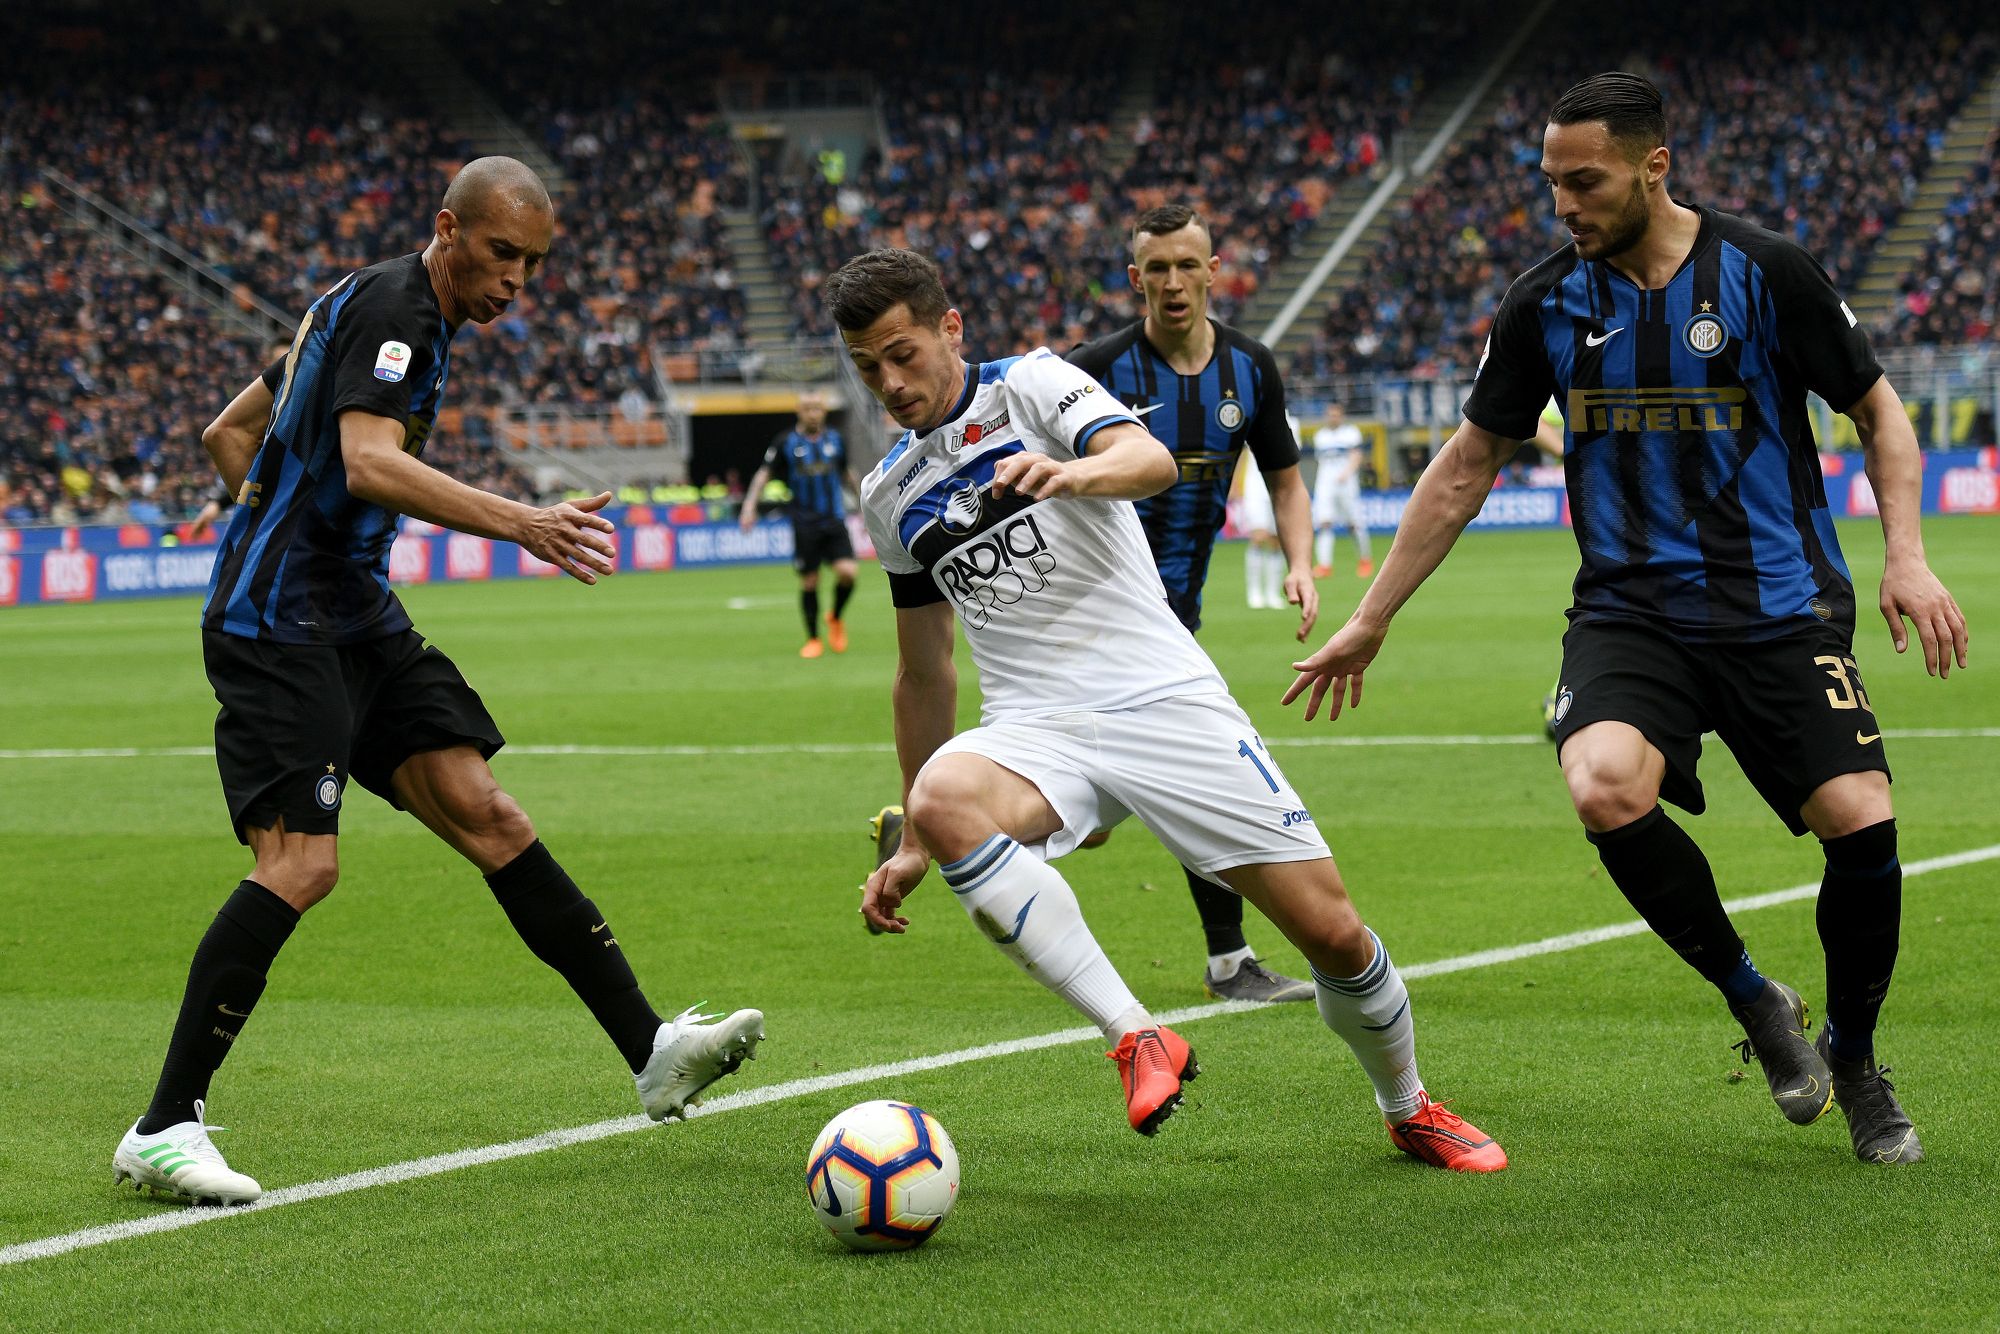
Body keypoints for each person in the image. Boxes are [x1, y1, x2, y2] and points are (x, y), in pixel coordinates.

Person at [1286, 74, 1969, 1166]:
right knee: (1602, 783)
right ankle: (1754, 998)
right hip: (1630, 613)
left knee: (1860, 818)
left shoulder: (1765, 271)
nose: (1563, 203)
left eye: (1585, 181)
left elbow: (1877, 410)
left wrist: (1907, 555)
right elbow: (1465, 465)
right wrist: (1371, 617)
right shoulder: (1544, 303)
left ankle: (1853, 1056)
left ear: (1655, 166)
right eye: (1551, 182)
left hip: (1776, 605)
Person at [113, 158, 764, 1208]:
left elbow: (227, 434)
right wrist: (521, 521)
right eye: (502, 254)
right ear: (447, 230)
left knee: (488, 813)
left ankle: (650, 1050)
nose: (516, 280)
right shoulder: (399, 314)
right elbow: (369, 461)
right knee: (301, 864)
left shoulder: (368, 301)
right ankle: (162, 1126)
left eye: (533, 263)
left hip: (353, 615)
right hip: (283, 626)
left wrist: (277, 518)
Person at [840, 247, 1506, 1169]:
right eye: (867, 366)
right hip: (1036, 727)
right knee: (941, 799)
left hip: (1161, 697)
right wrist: (916, 842)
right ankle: (1135, 1036)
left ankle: (1409, 1105)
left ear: (949, 328)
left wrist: (1072, 474)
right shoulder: (888, 494)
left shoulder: (1030, 385)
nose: (889, 383)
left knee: (1333, 935)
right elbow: (924, 673)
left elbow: (1148, 459)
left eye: (902, 354)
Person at [1062, 204, 1322, 1004]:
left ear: (1214, 272)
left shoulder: (1250, 368)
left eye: (1187, 265)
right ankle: (1229, 963)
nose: (1173, 282)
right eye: (1157, 268)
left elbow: (1284, 480)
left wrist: (1301, 564)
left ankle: (934, 829)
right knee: (1207, 768)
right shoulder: (1093, 370)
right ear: (1134, 278)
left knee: (1094, 811)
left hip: (1180, 611)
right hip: (1101, 612)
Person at [739, 389, 860, 658]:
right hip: (805, 523)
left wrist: (865, 505)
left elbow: (847, 474)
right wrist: (749, 507)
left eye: (817, 408)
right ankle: (814, 639)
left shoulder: (835, 440)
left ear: (824, 411)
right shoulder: (786, 442)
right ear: (799, 411)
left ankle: (835, 616)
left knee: (848, 573)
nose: (813, 414)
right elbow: (764, 475)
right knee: (810, 580)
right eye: (808, 409)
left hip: (834, 519)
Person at [1310, 402, 1373, 579]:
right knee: (1324, 523)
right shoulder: (1320, 436)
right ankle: (1324, 564)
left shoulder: (1351, 433)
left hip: (1346, 483)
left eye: (1336, 415)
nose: (1333, 418)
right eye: (1330, 415)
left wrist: (1347, 473)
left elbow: (1356, 456)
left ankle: (1365, 559)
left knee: (1353, 523)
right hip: (1325, 484)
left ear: (1341, 416)